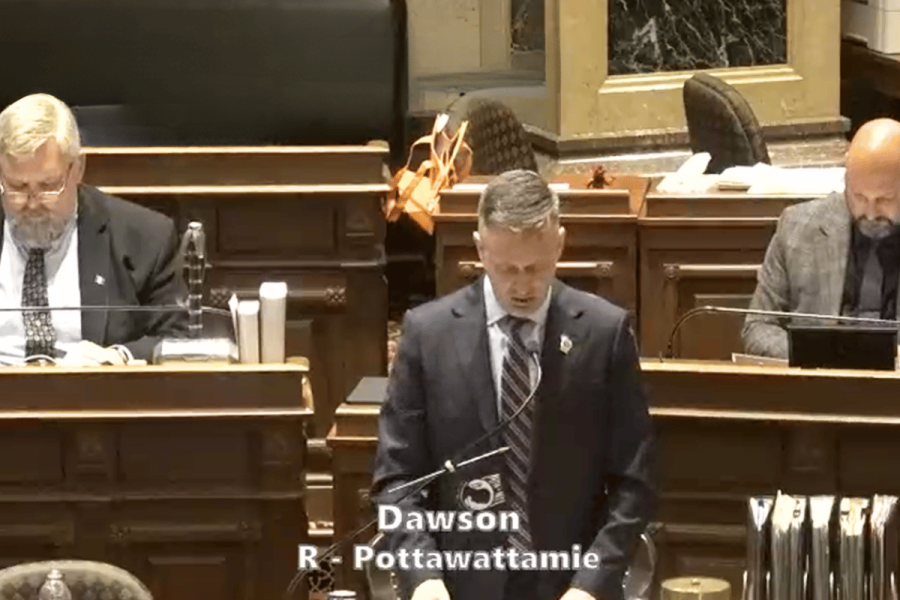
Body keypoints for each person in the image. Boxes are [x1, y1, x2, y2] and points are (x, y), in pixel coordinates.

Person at [370, 170, 657, 600]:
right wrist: (424, 579)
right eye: (507, 269)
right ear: (480, 249)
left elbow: (634, 483)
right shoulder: (428, 335)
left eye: (536, 268)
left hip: (569, 586)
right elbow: (398, 480)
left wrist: (590, 585)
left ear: (559, 244)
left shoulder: (604, 333)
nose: (522, 285)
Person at [0, 93, 187, 365]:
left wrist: (118, 357)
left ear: (78, 169)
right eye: (17, 187)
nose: (32, 202)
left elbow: (179, 336)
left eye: (48, 186)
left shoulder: (144, 236)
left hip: (90, 387)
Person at [743, 118, 900, 357]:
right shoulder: (797, 228)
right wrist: (818, 355)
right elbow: (758, 328)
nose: (870, 213)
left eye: (884, 200)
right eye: (858, 197)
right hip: (819, 376)